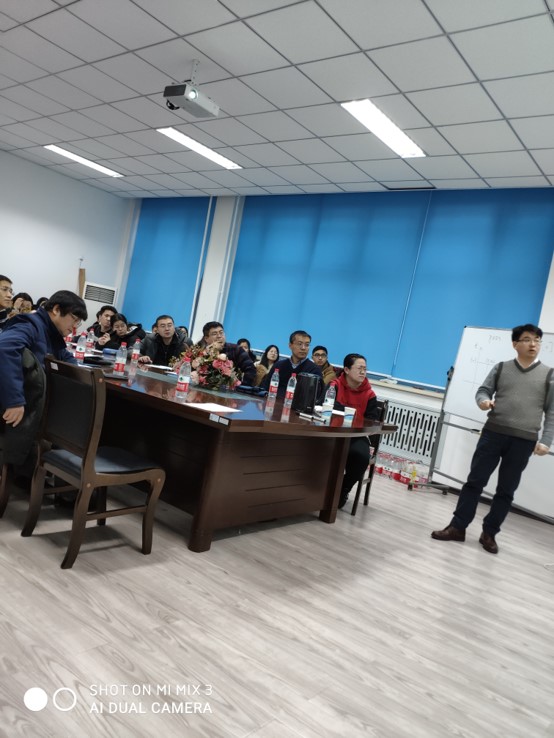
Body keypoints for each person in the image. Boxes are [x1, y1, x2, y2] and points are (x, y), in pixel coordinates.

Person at [431, 323, 553, 555]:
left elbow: (552, 411)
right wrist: (483, 402)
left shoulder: (549, 375)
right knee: (474, 482)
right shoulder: (502, 368)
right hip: (493, 434)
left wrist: (546, 440)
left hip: (523, 441)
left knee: (506, 490)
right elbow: (483, 391)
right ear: (515, 344)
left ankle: (489, 533)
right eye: (527, 339)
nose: (533, 344)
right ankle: (457, 527)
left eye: (537, 340)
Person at [0, 290, 86, 429]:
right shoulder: (30, 325)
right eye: (74, 319)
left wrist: (76, 374)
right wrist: (14, 400)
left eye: (79, 322)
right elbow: (4, 349)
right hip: (15, 407)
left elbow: (65, 355)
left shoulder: (49, 331)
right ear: (56, 309)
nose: (75, 326)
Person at [327, 353, 379, 509]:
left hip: (356, 436)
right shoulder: (334, 385)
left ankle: (343, 488)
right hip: (332, 432)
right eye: (359, 368)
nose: (363, 372)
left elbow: (371, 421)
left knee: (361, 456)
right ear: (346, 370)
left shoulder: (370, 394)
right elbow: (325, 405)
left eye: (365, 369)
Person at [261, 331, 322, 395]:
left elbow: (316, 395)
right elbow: (265, 388)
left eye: (307, 345)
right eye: (299, 344)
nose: (303, 348)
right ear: (290, 345)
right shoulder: (278, 365)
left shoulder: (314, 370)